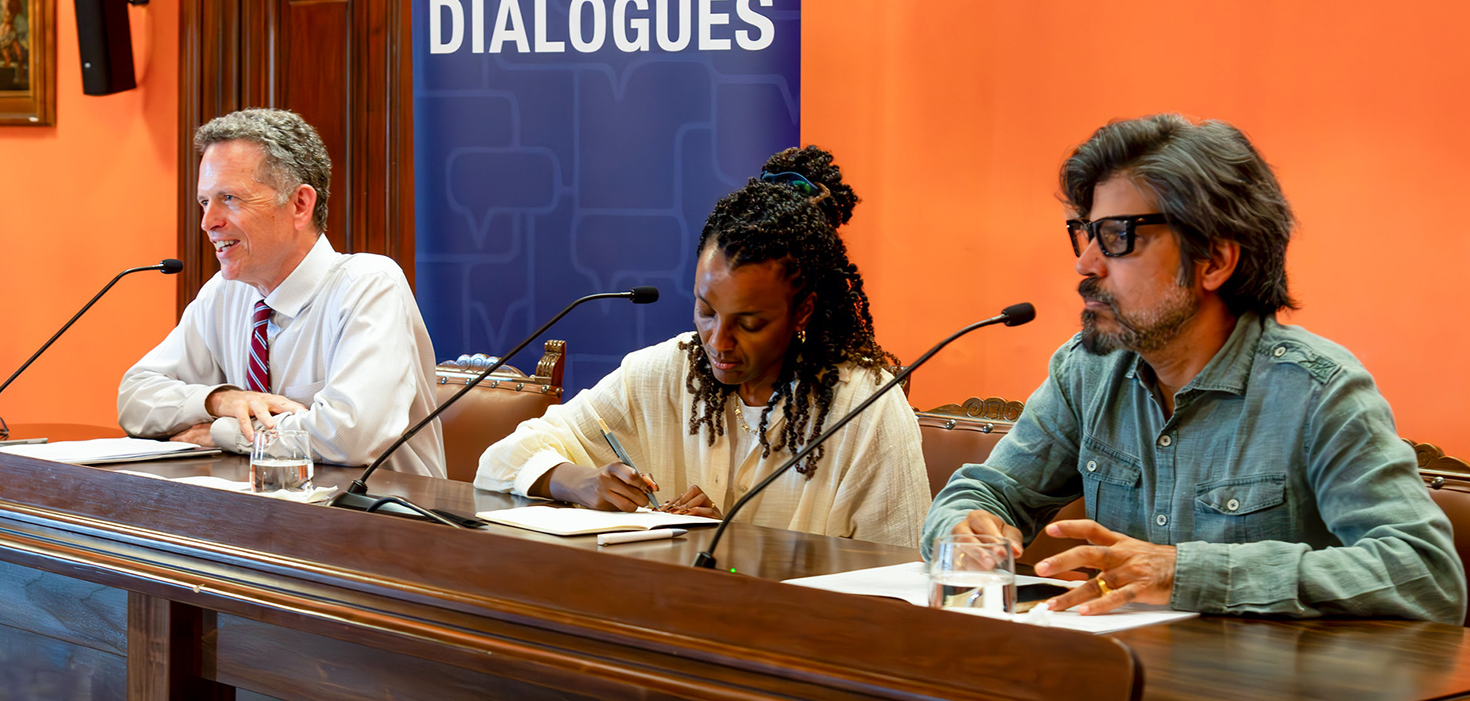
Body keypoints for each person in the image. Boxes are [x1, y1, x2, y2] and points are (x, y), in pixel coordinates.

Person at [924, 114, 1465, 623]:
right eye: (1085, 233)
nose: (1085, 263)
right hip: (1116, 673)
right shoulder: (1087, 372)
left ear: (1214, 261)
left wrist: (1190, 573)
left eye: (1117, 236)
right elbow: (986, 493)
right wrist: (966, 531)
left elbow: (1427, 575)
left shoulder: (1316, 390)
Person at [476, 146, 929, 546]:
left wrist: (734, 547)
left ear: (804, 311)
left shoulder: (864, 408)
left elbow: (901, 570)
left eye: (749, 323)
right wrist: (579, 481)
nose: (718, 341)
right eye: (706, 310)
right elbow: (497, 461)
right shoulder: (663, 373)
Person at [118, 108, 445, 475]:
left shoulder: (368, 285)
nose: (208, 222)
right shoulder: (226, 295)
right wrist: (219, 400)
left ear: (300, 204)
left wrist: (225, 431)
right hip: (263, 512)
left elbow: (349, 437)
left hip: (384, 519)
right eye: (205, 201)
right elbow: (134, 399)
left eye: (230, 198)